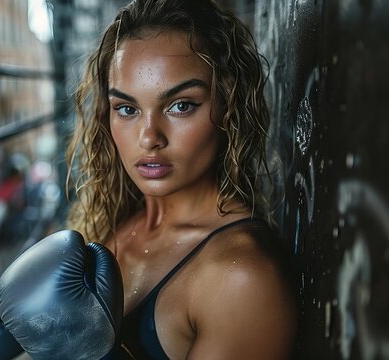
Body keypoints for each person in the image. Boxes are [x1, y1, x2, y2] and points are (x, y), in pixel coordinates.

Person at [64, 0, 298, 358]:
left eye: (181, 105)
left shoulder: (241, 277)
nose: (148, 138)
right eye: (126, 109)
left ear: (228, 106)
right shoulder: (114, 216)